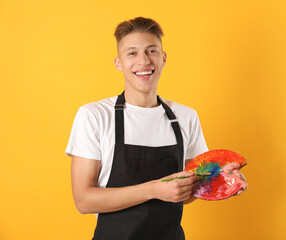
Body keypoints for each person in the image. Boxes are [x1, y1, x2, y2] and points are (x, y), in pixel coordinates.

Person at [65, 16, 248, 240]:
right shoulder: (94, 116)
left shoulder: (185, 117)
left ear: (163, 58)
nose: (143, 61)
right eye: (132, 53)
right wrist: (153, 189)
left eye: (151, 51)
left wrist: (222, 182)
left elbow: (190, 190)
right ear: (118, 63)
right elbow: (84, 200)